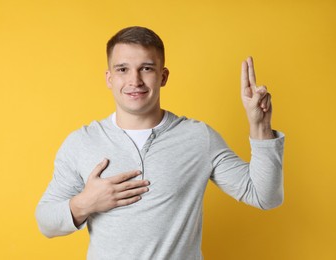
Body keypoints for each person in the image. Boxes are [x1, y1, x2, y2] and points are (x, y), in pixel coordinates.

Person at [35, 26, 285, 260]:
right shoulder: (82, 142)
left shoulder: (198, 137)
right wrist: (86, 203)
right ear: (109, 78)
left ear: (163, 76)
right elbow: (46, 222)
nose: (135, 80)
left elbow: (264, 196)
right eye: (123, 69)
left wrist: (260, 126)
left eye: (146, 68)